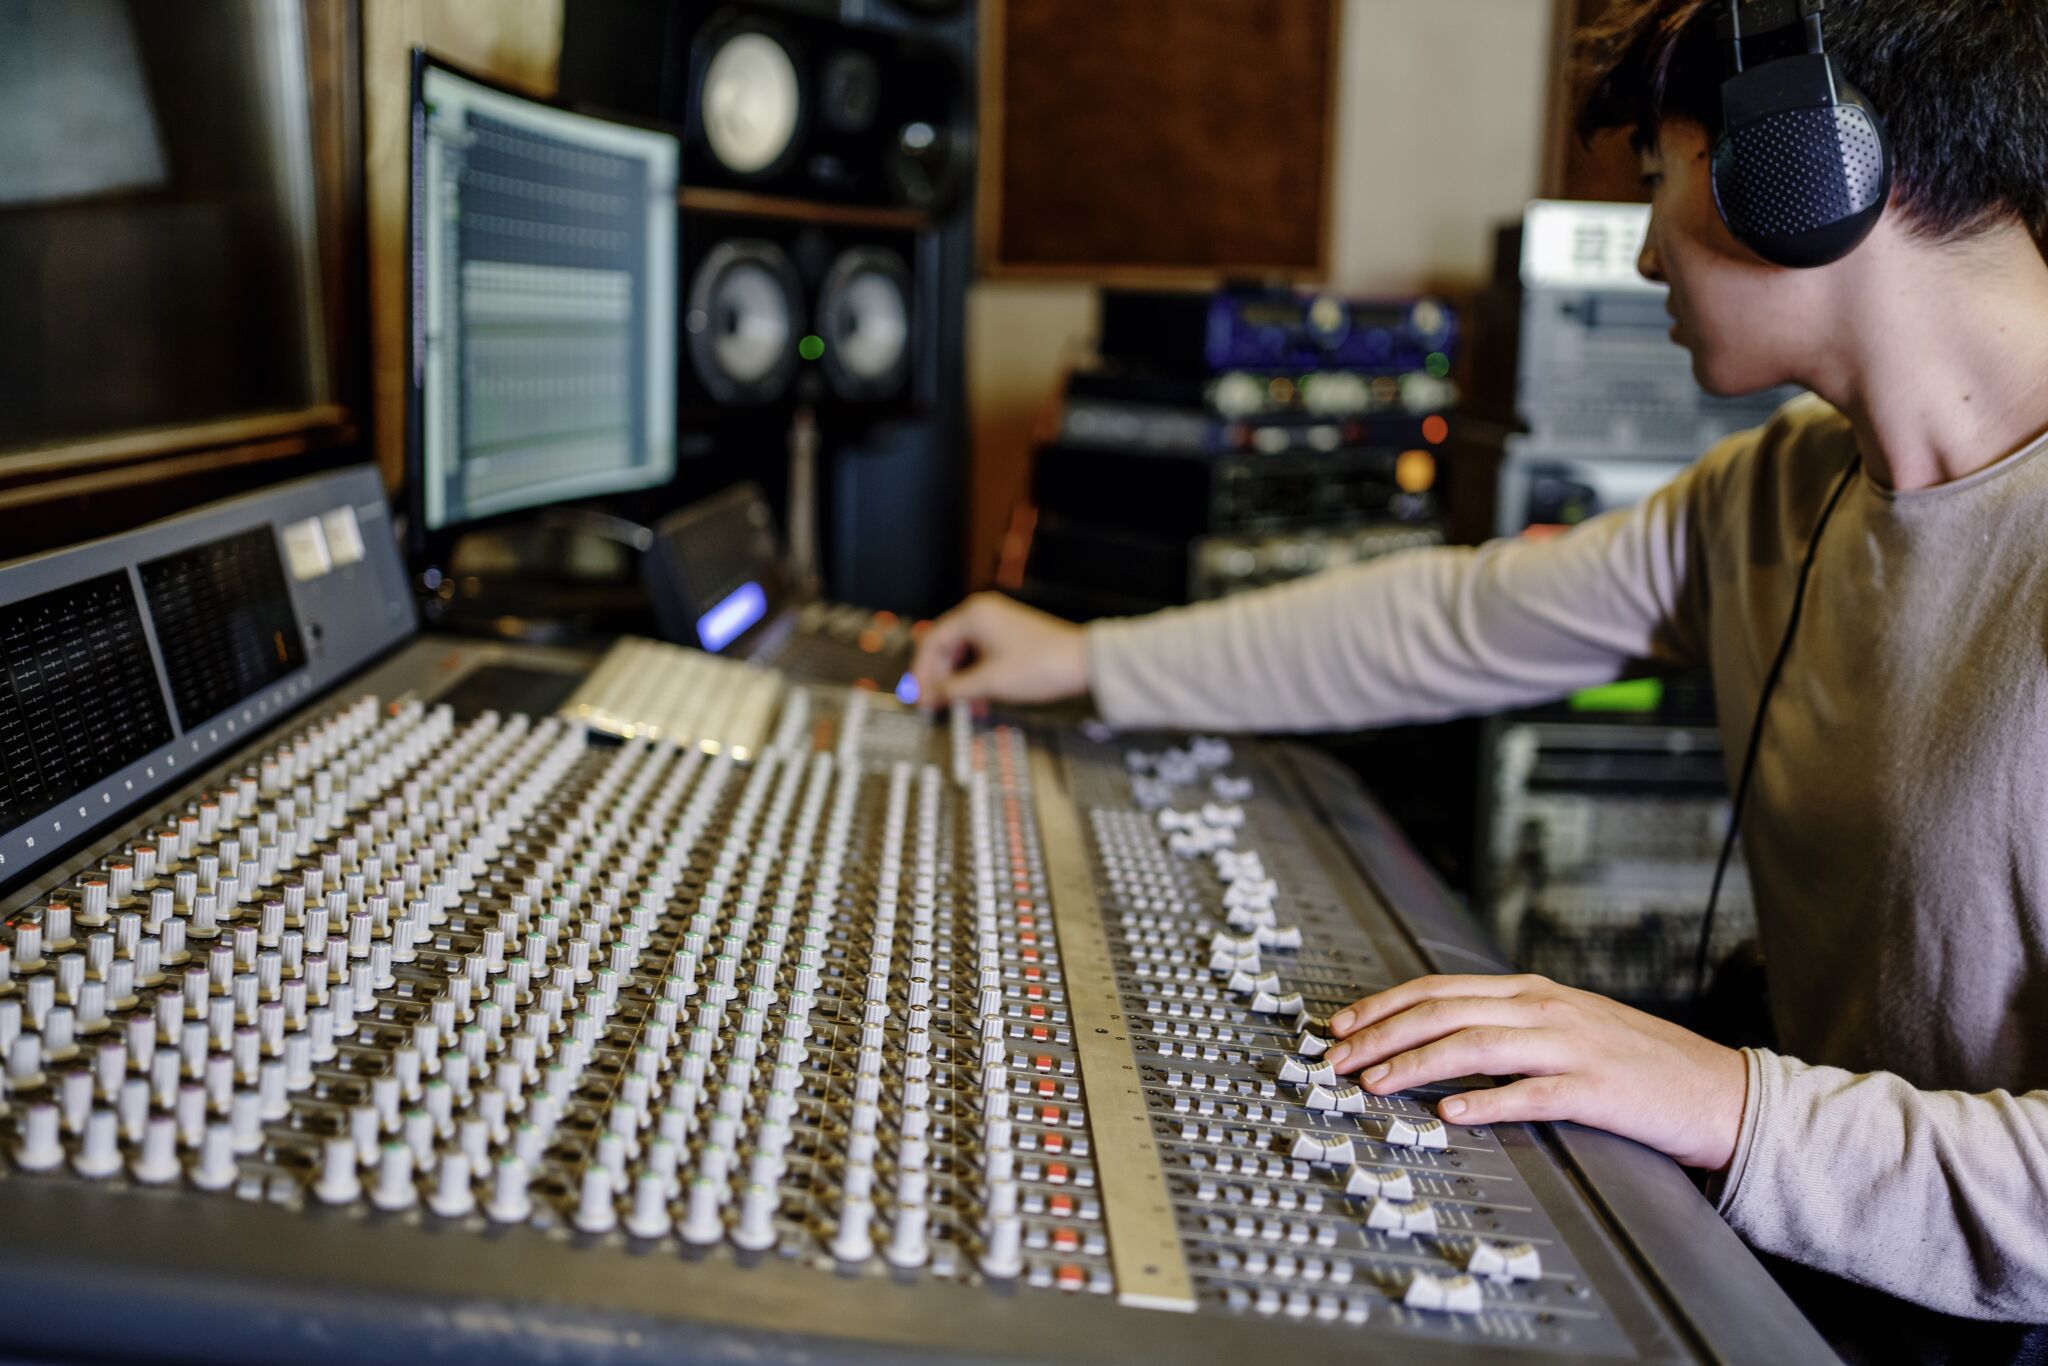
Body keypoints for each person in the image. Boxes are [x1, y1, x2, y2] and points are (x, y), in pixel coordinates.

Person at [911, 0, 2048, 1357]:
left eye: (1655, 180)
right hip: (1819, 1273)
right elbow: (1450, 619)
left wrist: (1722, 1100)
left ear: (1807, 168)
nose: (1640, 251)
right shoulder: (1777, 497)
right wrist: (1089, 662)